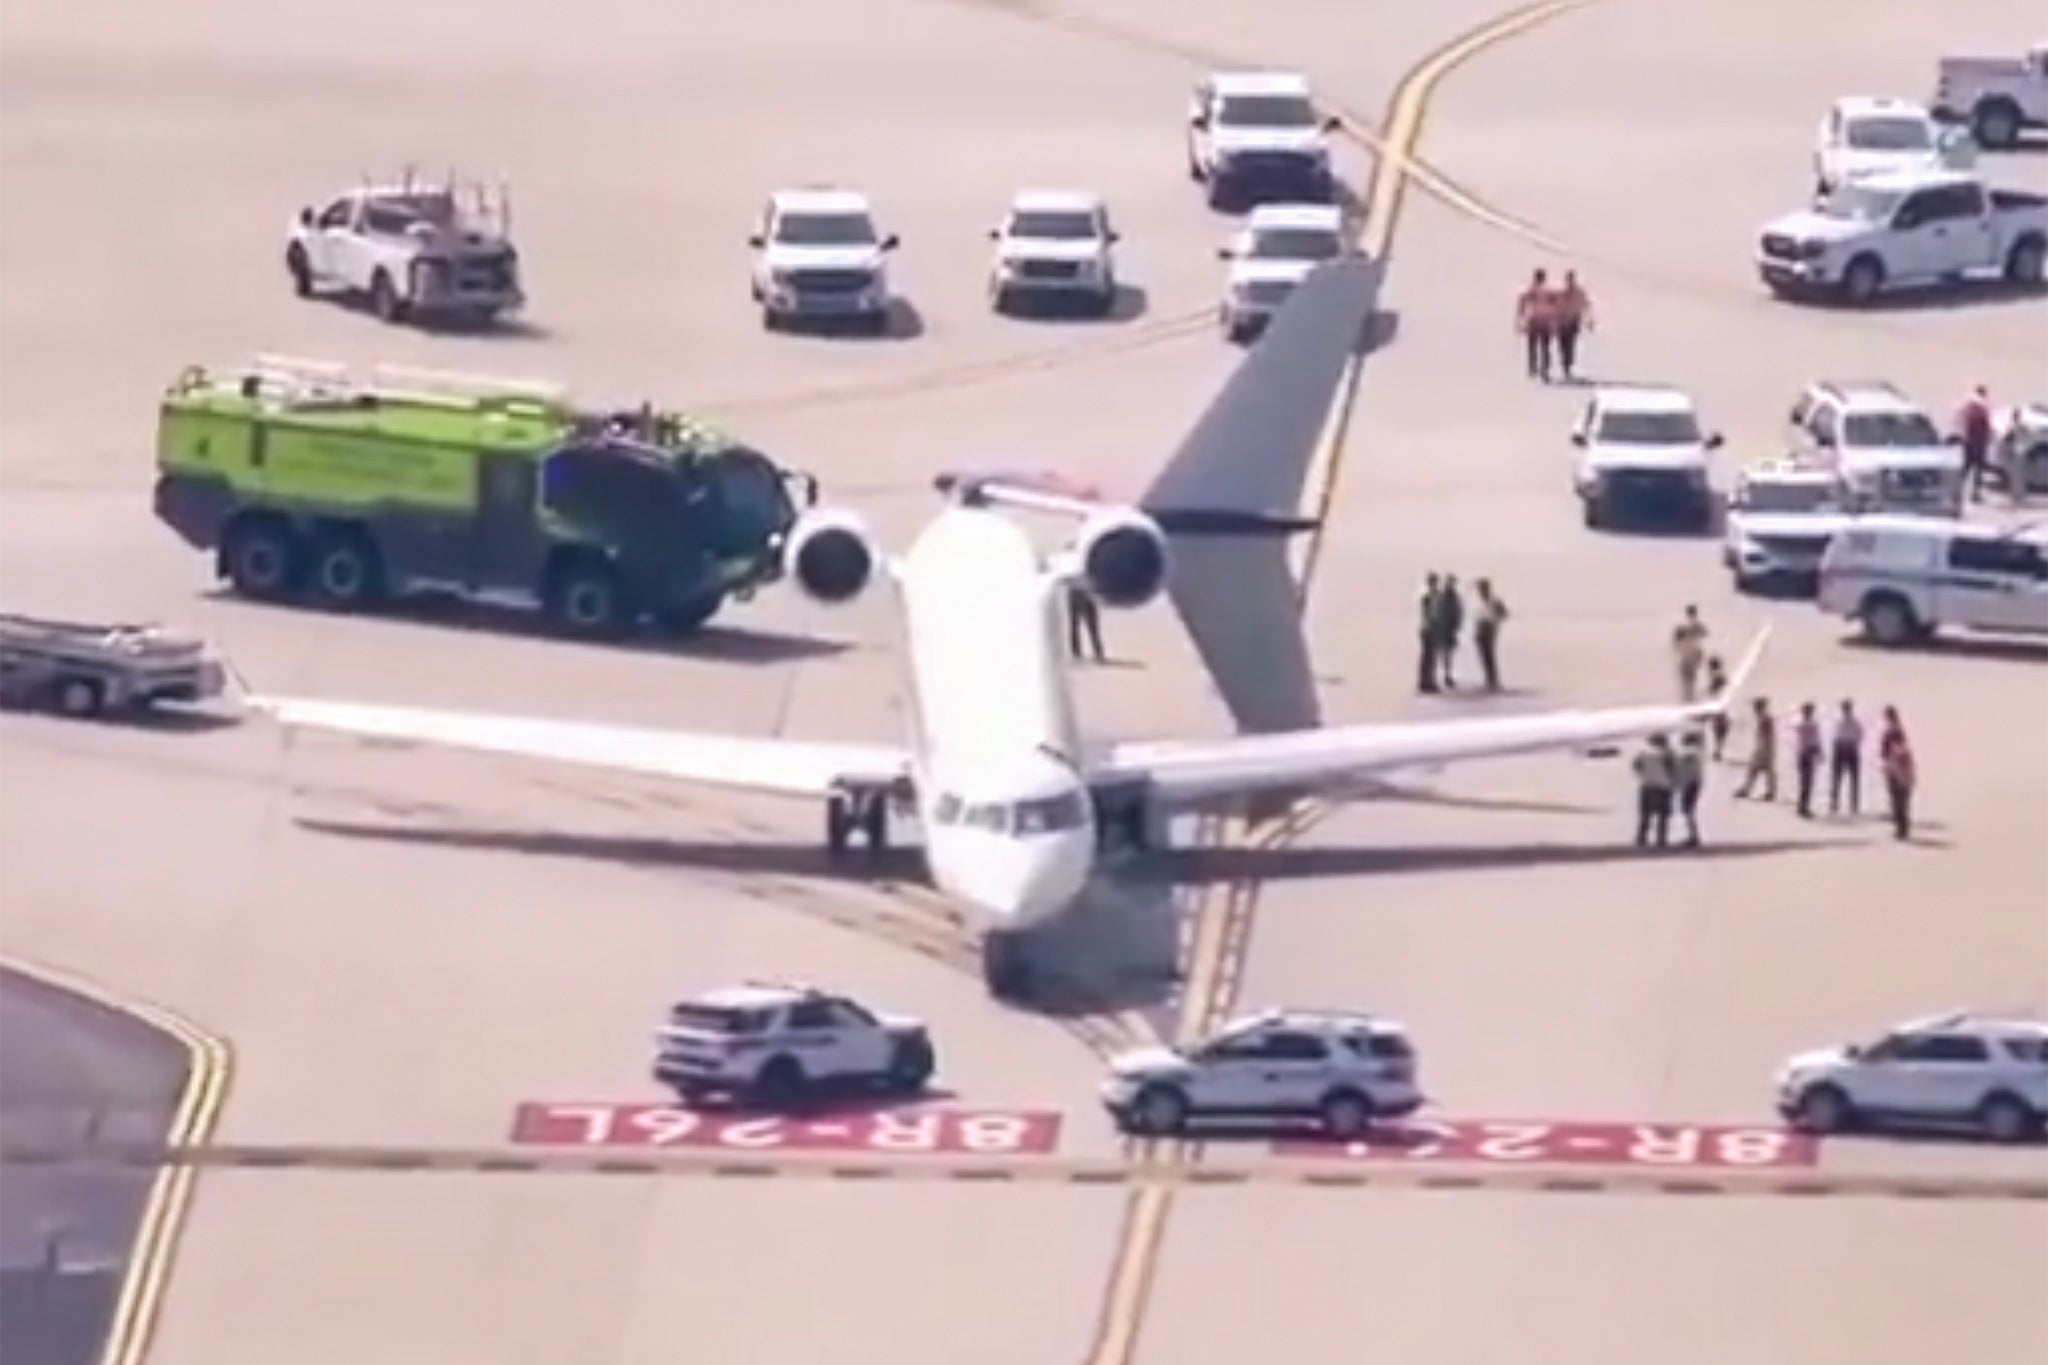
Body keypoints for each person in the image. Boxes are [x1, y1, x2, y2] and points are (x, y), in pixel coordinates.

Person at [1878, 707, 1916, 841]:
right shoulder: (1897, 732)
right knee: (1901, 801)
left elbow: (1884, 752)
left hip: (1895, 771)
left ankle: (1901, 828)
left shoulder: (1892, 732)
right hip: (1897, 771)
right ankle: (1902, 827)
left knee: (1898, 800)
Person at [1632, 733, 1675, 848]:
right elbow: (1672, 768)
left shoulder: (1643, 752)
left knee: (1645, 814)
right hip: (1663, 786)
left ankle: (1641, 838)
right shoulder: (1667, 753)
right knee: (1663, 815)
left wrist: (1643, 775)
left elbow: (1636, 766)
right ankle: (1661, 839)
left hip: (1646, 785)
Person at [1515, 268, 1557, 382]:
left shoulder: (1531, 290)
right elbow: (1556, 306)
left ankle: (1533, 368)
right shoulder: (1549, 291)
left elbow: (1522, 303)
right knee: (1545, 347)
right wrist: (1555, 320)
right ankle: (1544, 370)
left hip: (1534, 321)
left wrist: (1520, 319)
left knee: (1533, 346)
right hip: (1545, 321)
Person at [1735, 697, 1778, 801]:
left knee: (1755, 769)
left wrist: (1762, 749)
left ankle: (1748, 790)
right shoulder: (1764, 717)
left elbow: (1767, 736)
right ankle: (1770, 792)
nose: (1754, 710)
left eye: (1755, 707)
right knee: (1766, 771)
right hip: (1766, 747)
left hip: (1764, 748)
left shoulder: (1765, 718)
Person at [1554, 270, 1593, 382]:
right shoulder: (1561, 293)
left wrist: (1589, 321)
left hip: (1572, 321)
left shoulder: (1579, 292)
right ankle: (1565, 367)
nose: (1569, 281)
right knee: (1562, 345)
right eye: (1568, 279)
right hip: (1561, 321)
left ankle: (1568, 367)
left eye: (1571, 279)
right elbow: (1555, 307)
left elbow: (1586, 305)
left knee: (1570, 345)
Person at [1957, 385, 1994, 501]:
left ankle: (1958, 489)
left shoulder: (1968, 407)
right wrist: (1988, 437)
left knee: (1966, 468)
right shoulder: (1980, 409)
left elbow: (1962, 422)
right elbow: (1984, 427)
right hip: (1978, 443)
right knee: (1977, 470)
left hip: (1969, 442)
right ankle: (1975, 494)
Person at [1828, 700, 1864, 817]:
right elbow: (1834, 736)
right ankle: (1835, 802)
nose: (1846, 710)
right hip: (1842, 748)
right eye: (1845, 708)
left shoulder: (1854, 722)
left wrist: (1852, 744)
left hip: (1849, 748)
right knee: (1837, 777)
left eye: (1847, 708)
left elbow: (1860, 735)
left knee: (1853, 778)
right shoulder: (1839, 721)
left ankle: (1853, 804)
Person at [1473, 578, 1509, 691]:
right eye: (1480, 589)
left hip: (1489, 629)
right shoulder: (1479, 601)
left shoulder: (1494, 601)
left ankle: (1493, 680)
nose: (1480, 591)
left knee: (1489, 656)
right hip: (1480, 629)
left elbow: (1504, 614)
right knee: (1484, 657)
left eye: (1482, 588)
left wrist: (1495, 622)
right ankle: (1488, 679)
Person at [1672, 731, 1706, 847]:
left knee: (1688, 810)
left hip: (1691, 783)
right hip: (1694, 782)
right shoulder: (1696, 751)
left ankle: (1694, 837)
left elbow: (1680, 760)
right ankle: (1693, 835)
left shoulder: (1690, 752)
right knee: (1688, 810)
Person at [1433, 574, 1466, 689]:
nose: (1451, 585)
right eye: (1450, 582)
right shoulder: (1441, 596)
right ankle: (1441, 676)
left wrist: (1457, 626)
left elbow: (1459, 612)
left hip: (1449, 629)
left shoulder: (1454, 597)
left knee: (1448, 654)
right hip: (1442, 628)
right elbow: (1437, 611)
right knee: (1441, 653)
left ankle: (1447, 675)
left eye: (1452, 583)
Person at [1670, 605, 1709, 701]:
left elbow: (1675, 642)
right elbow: (1705, 634)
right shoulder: (1698, 625)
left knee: (1685, 680)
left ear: (1686, 613)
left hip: (1687, 654)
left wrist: (1677, 649)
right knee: (1692, 678)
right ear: (1696, 613)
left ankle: (1687, 699)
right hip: (1695, 653)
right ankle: (1692, 698)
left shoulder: (1682, 626)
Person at [1793, 701, 1824, 818]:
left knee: (1803, 782)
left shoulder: (1799, 723)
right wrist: (1820, 753)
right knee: (1808, 782)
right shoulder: (1812, 724)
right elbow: (1815, 740)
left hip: (1801, 753)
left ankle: (1801, 806)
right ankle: (1804, 807)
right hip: (1808, 753)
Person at [1416, 573, 1442, 694]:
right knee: (1428, 656)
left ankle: (1428, 680)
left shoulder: (1435, 596)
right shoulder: (1428, 597)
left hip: (1430, 628)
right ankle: (1425, 681)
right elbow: (1428, 614)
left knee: (1430, 657)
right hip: (1429, 629)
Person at [1066, 581, 1104, 662]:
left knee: (1078, 626)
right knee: (1086, 626)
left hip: (1081, 594)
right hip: (1081, 594)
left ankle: (1079, 653)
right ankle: (1096, 653)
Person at [1702, 655, 1730, 758]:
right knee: (1720, 728)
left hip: (1717, 705)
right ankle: (1717, 749)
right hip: (1719, 706)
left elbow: (1714, 688)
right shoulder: (1718, 675)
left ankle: (1717, 749)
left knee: (1718, 728)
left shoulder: (1716, 675)